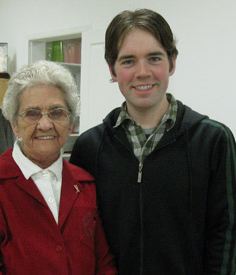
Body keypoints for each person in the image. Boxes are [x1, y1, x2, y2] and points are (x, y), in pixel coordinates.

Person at [70, 8, 236, 275]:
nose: (142, 72)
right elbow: (82, 238)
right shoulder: (89, 148)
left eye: (154, 58)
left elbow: (226, 236)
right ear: (112, 69)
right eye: (128, 61)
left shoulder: (213, 140)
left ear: (172, 62)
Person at [0, 60, 117, 275]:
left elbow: (104, 263)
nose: (45, 124)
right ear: (14, 123)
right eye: (32, 113)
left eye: (57, 112)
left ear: (70, 122)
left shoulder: (86, 183)